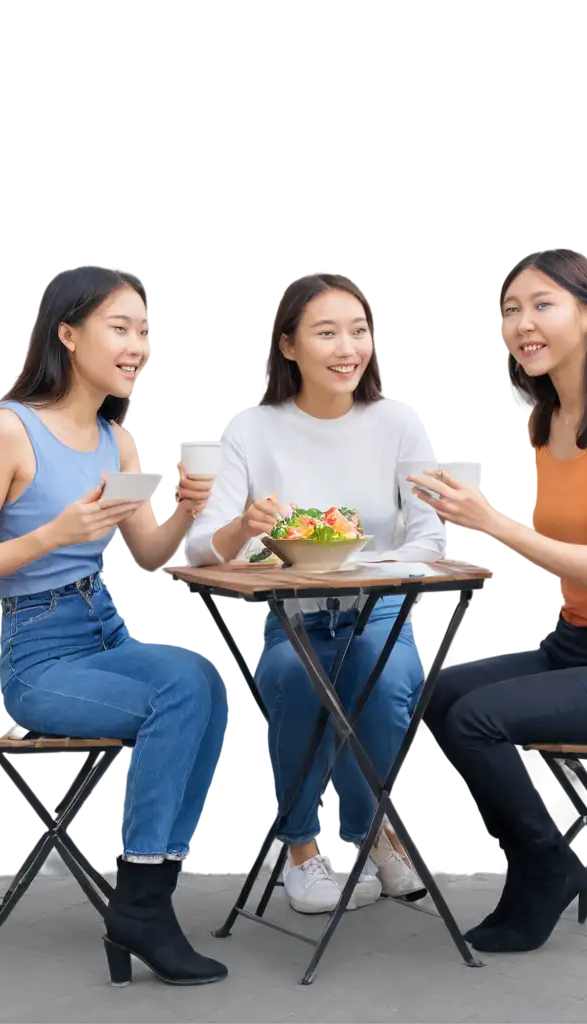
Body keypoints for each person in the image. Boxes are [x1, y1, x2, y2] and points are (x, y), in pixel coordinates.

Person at [0, 264, 229, 987]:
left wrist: (187, 507)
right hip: (37, 658)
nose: (139, 346)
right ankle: (143, 909)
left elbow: (153, 554)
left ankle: (144, 900)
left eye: (145, 332)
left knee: (205, 683)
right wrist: (53, 533)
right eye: (121, 328)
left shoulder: (114, 441)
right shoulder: (7, 432)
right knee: (180, 690)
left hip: (105, 632)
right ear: (68, 334)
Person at [408, 246, 587, 954]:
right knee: (437, 697)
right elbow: (556, 546)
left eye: (541, 305)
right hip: (573, 643)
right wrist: (463, 535)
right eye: (509, 310)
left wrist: (495, 524)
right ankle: (535, 860)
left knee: (477, 720)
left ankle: (545, 862)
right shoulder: (548, 418)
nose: (523, 323)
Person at [184, 266, 446, 914]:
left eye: (358, 331)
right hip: (295, 617)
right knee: (293, 679)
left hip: (382, 609)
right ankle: (302, 853)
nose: (347, 348)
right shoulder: (250, 429)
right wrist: (241, 528)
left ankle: (375, 835)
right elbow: (199, 545)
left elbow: (433, 538)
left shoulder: (401, 423)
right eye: (326, 332)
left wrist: (354, 565)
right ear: (289, 345)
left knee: (381, 684)